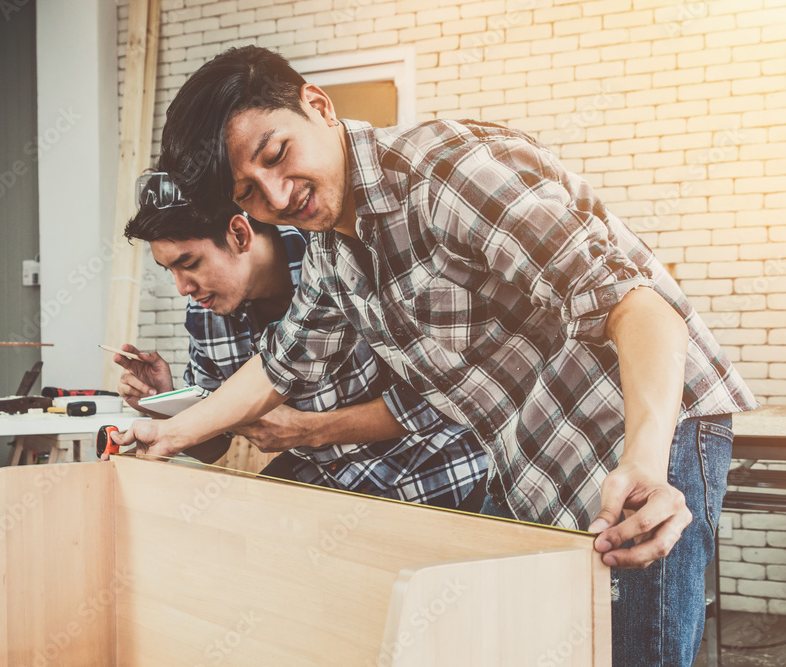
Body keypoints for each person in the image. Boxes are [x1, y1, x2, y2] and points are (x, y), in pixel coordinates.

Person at [114, 46, 758, 665]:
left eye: (278, 155)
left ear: (319, 106)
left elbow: (639, 305)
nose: (278, 197)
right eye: (249, 193)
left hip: (640, 436)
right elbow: (282, 365)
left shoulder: (444, 175)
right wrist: (170, 432)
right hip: (535, 461)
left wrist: (645, 462)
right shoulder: (334, 252)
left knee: (632, 655)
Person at [108, 188, 489, 512]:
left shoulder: (345, 263)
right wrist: (166, 403)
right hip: (324, 481)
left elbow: (439, 402)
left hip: (431, 473)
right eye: (168, 271)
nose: (182, 288)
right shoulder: (206, 312)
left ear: (240, 234)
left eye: (188, 263)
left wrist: (309, 431)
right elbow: (215, 445)